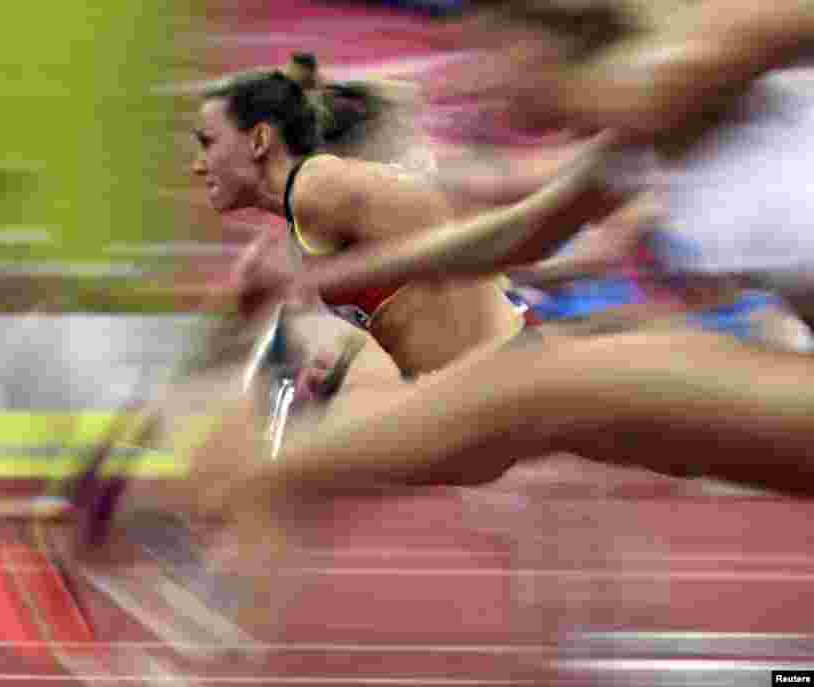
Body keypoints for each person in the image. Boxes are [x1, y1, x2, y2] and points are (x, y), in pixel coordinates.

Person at [182, 0, 814, 633]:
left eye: (479, 54)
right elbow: (511, 239)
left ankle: (272, 482)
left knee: (546, 384)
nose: (462, 85)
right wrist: (308, 277)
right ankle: (275, 482)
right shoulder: (637, 138)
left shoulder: (673, 69)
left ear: (532, 42)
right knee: (557, 398)